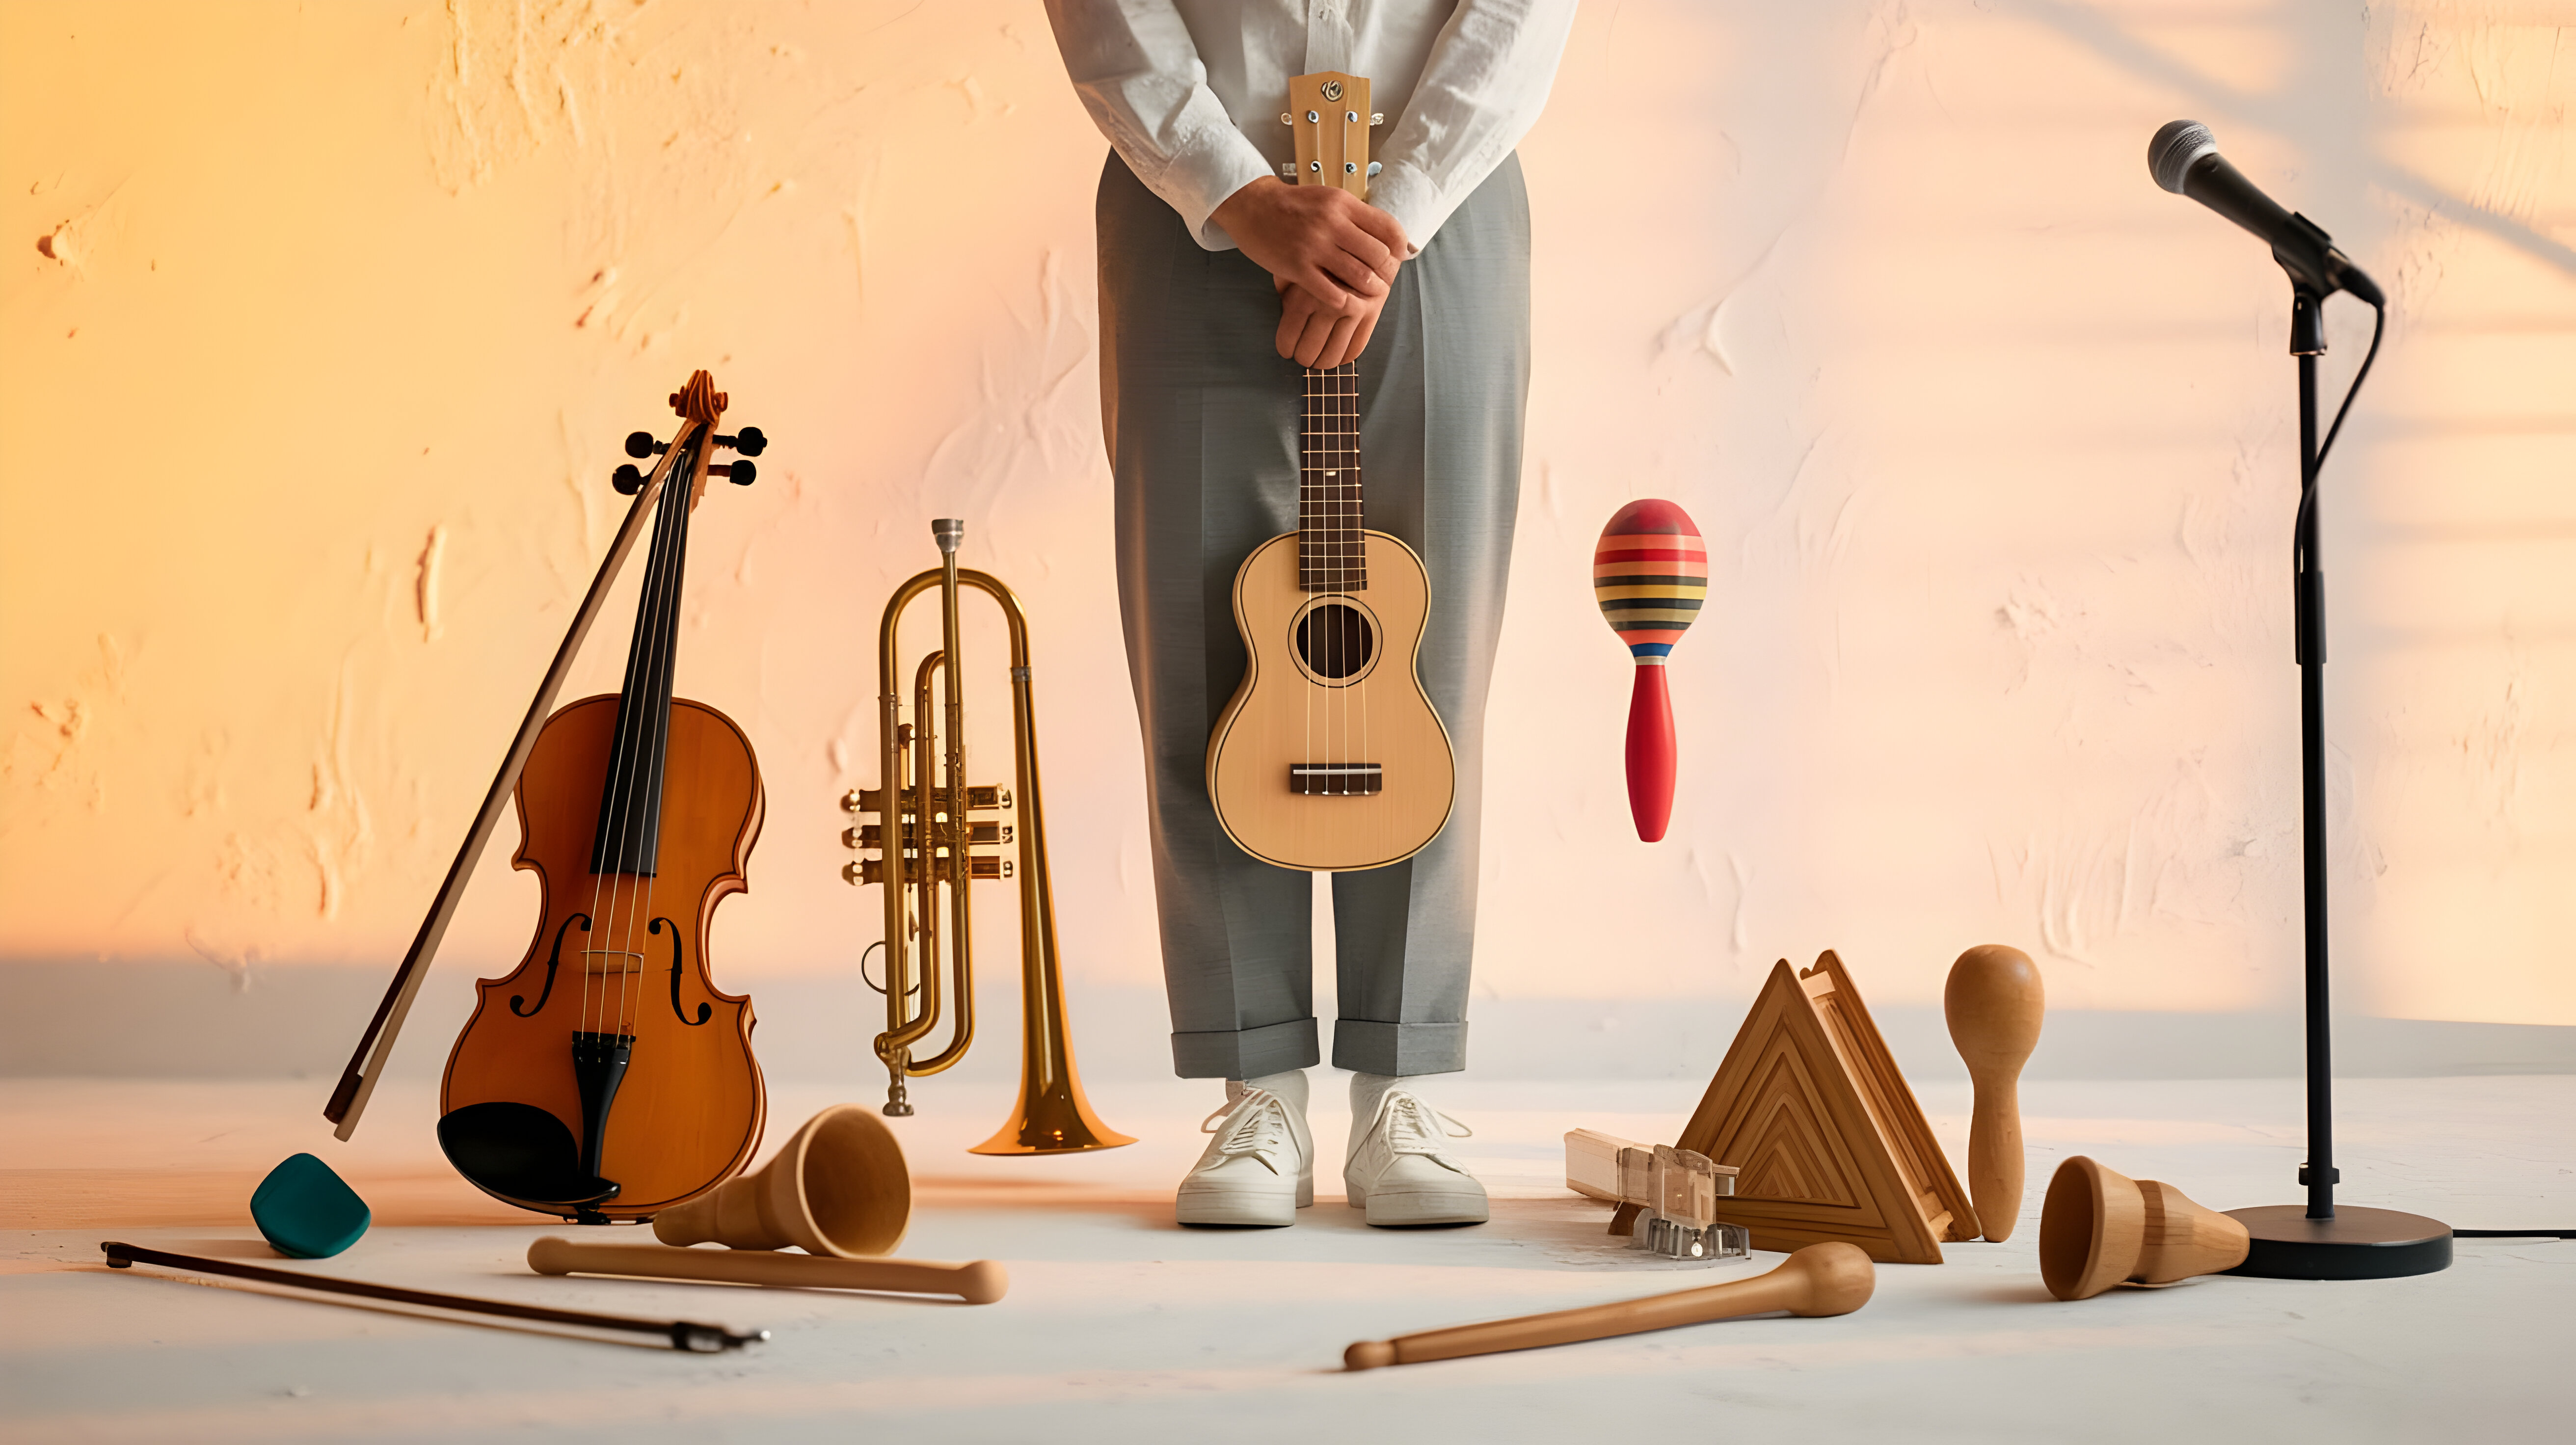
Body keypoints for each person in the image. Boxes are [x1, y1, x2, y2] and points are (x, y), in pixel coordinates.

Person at [1044, 0, 1576, 1227]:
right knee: (1202, 647)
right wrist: (1234, 190)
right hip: (1189, 204)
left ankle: (1402, 1087)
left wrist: (1394, 215)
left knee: (1428, 652)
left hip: (1442, 200)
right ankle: (1257, 1087)